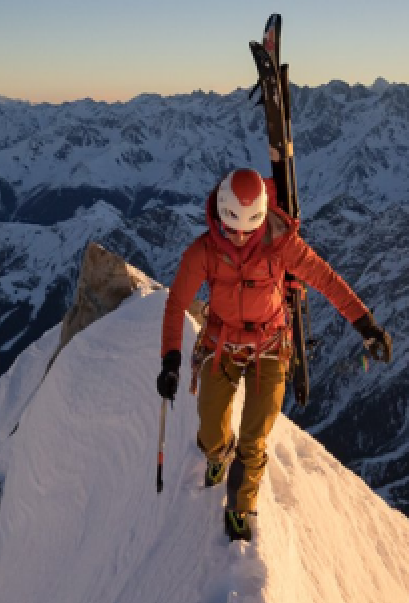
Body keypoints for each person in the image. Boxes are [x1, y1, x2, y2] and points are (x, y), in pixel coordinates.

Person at [156, 167, 393, 540]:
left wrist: (365, 324)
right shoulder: (203, 251)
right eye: (232, 228)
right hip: (222, 344)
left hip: (269, 345)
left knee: (256, 435)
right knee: (210, 430)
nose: (238, 237)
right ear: (220, 213)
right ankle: (219, 452)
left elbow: (324, 279)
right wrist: (170, 359)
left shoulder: (281, 244)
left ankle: (240, 508)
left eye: (248, 230)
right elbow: (176, 304)